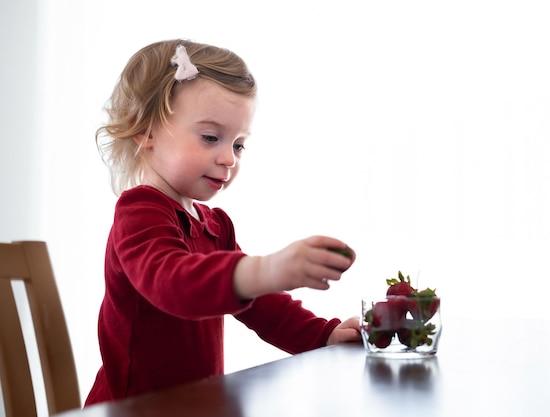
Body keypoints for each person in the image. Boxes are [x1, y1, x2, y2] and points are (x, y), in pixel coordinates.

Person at [84, 39, 360, 405]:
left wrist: (322, 335)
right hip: (135, 409)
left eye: (239, 144)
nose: (229, 158)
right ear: (145, 131)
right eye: (211, 138)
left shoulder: (215, 225)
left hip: (194, 405)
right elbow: (174, 283)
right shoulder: (139, 211)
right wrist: (267, 269)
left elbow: (260, 306)